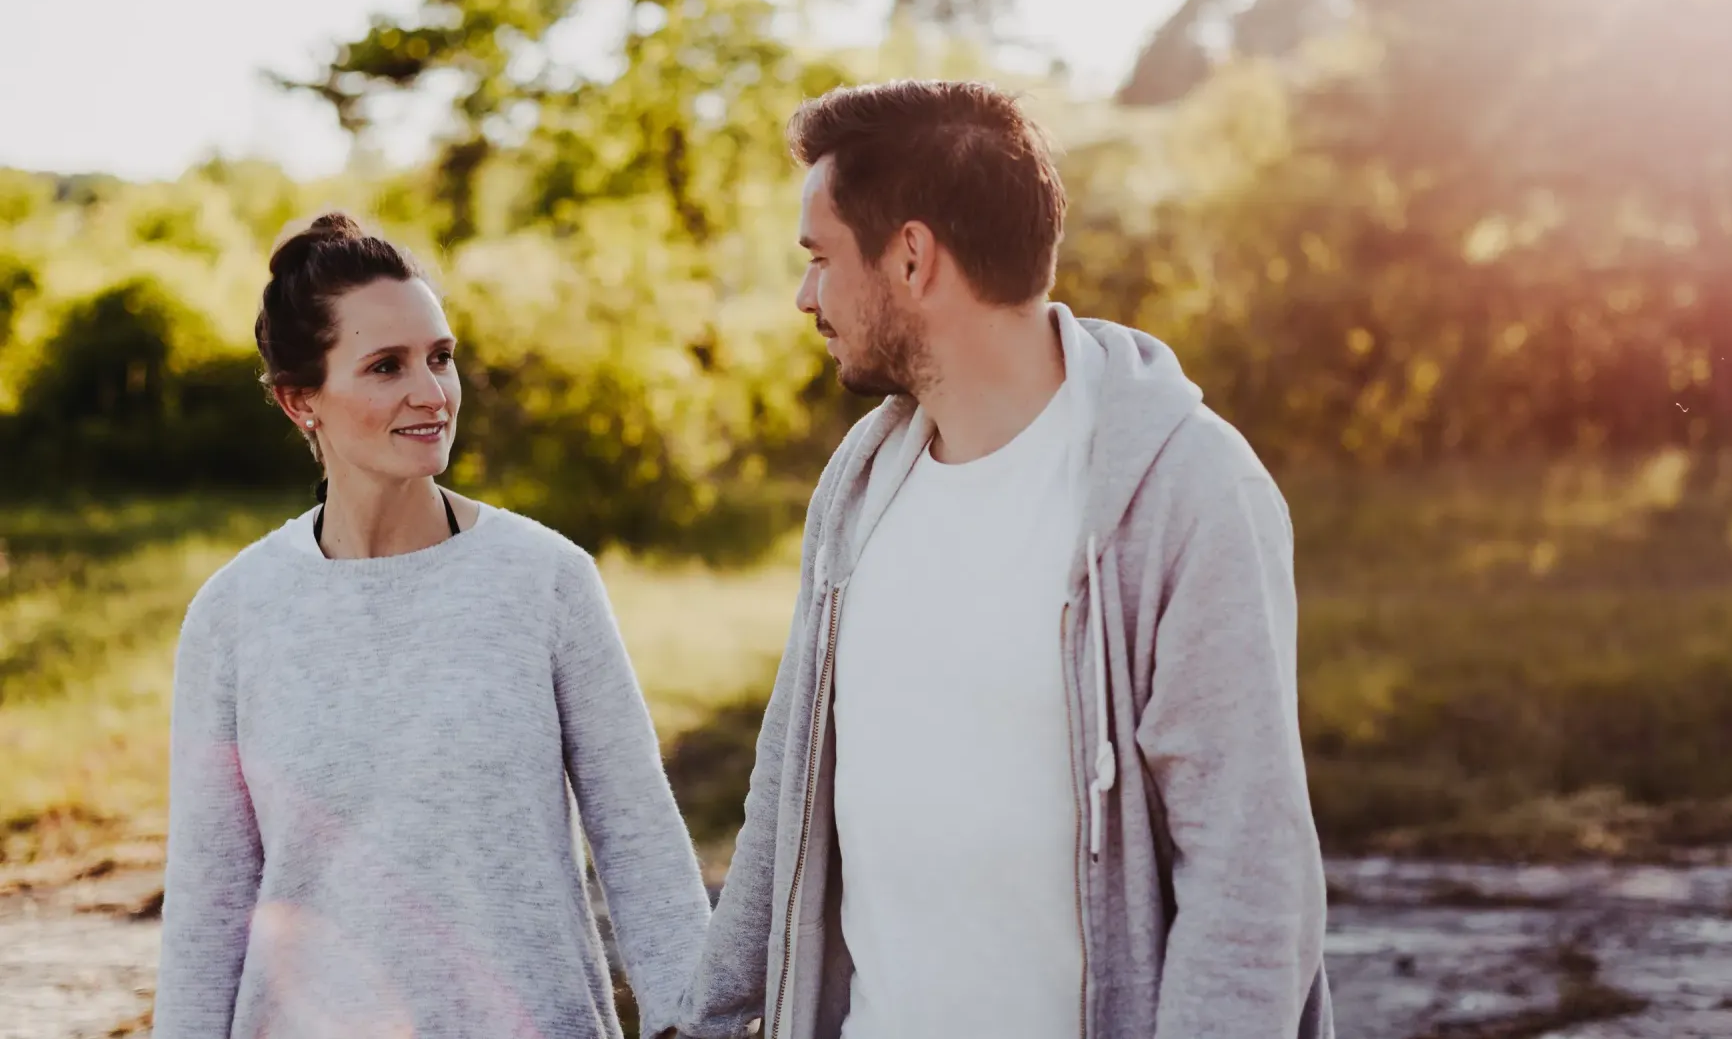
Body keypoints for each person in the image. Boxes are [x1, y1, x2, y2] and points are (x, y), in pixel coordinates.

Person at [679, 80, 1331, 1039]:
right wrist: (708, 1017)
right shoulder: (859, 488)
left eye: (820, 257)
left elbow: (1248, 876)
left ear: (910, 256)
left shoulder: (1181, 487)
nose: (805, 294)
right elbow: (787, 794)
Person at [154, 212, 710, 1039]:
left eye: (440, 357)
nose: (433, 392)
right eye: (387, 366)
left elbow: (642, 848)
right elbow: (210, 904)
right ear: (299, 400)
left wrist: (699, 1024)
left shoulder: (546, 579)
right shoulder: (235, 615)